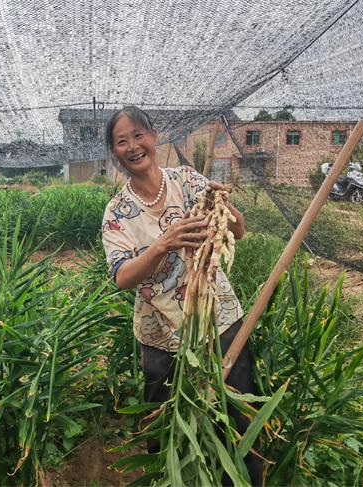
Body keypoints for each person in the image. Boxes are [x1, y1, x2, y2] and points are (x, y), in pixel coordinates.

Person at [101, 106, 262, 486]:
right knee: (165, 423)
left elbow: (236, 231)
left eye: (138, 135)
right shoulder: (117, 214)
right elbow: (121, 277)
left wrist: (224, 207)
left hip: (216, 316)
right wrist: (162, 246)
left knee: (238, 414)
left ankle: (242, 480)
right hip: (161, 334)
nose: (132, 146)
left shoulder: (187, 180)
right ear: (115, 153)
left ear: (154, 136)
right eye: (121, 141)